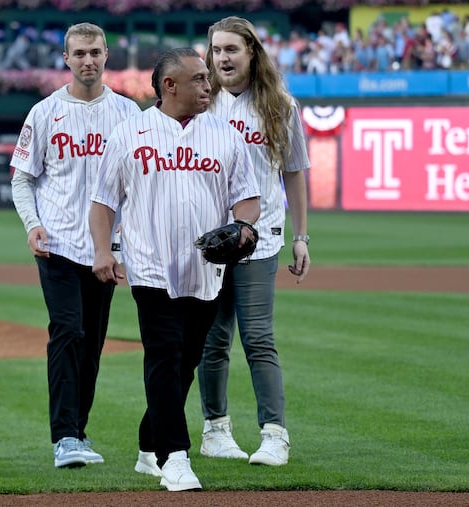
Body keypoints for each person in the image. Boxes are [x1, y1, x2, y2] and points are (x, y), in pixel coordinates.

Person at [89, 47, 261, 491]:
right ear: (170, 86)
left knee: (185, 362)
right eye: (200, 79)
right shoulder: (130, 134)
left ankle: (149, 444)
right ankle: (175, 457)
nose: (210, 85)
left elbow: (247, 197)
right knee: (164, 354)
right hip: (150, 265)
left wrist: (242, 227)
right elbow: (103, 201)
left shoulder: (226, 136)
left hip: (207, 270)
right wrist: (102, 251)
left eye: (208, 78)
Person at [9, 22, 140, 470]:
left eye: (95, 52)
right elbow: (22, 179)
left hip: (107, 249)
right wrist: (32, 225)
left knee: (93, 343)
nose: (88, 60)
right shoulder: (44, 113)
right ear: (65, 58)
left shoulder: (128, 115)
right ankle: (64, 436)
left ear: (107, 57)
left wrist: (126, 243)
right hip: (59, 243)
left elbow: (141, 185)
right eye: (79, 53)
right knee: (67, 332)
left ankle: (79, 430)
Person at [196, 16, 311, 467]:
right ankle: (215, 430)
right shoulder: (202, 103)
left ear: (251, 53)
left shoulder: (279, 105)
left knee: (258, 337)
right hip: (210, 239)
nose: (222, 58)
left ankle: (274, 434)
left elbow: (295, 172)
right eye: (217, 50)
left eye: (231, 49)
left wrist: (301, 237)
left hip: (260, 241)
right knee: (212, 339)